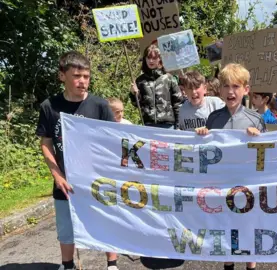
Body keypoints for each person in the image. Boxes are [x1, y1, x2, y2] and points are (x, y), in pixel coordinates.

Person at [36, 51, 119, 270]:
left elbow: (112, 141)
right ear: (62, 76)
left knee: (106, 219)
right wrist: (57, 175)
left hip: (98, 177)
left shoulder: (100, 105)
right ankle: (67, 265)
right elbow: (46, 143)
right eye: (76, 76)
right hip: (65, 180)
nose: (82, 81)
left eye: (86, 76)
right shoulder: (49, 106)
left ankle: (112, 264)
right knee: (66, 227)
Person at [195, 63, 265, 270]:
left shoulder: (256, 119)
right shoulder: (214, 118)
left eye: (236, 86)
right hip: (222, 183)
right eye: (226, 86)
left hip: (248, 183)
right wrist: (201, 136)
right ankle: (228, 264)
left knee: (248, 226)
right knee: (226, 226)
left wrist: (259, 137)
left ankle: (250, 266)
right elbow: (206, 151)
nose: (230, 91)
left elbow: (268, 153)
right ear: (220, 90)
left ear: (246, 90)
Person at [130, 44, 183, 129]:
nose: (151, 61)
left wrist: (178, 127)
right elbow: (137, 105)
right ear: (145, 59)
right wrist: (133, 94)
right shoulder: (140, 81)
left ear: (160, 59)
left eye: (154, 58)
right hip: (148, 126)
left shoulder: (169, 78)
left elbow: (178, 103)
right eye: (148, 58)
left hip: (168, 126)